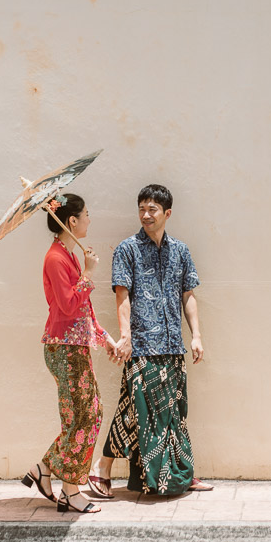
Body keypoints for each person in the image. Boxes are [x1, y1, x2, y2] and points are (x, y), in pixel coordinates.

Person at [87, 184, 213, 498]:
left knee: (174, 413)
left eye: (152, 209)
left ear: (167, 213)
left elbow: (188, 295)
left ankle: (181, 475)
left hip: (172, 346)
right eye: (142, 208)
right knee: (133, 410)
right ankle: (101, 470)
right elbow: (122, 296)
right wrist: (125, 337)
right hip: (141, 345)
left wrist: (196, 335)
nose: (146, 215)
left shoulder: (181, 251)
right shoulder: (127, 249)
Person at [21, 193, 126, 514]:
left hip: (74, 346)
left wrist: (105, 337)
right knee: (86, 417)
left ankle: (45, 469)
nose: (90, 219)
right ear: (72, 221)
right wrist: (90, 273)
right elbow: (67, 305)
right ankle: (69, 489)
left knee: (82, 417)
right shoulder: (55, 258)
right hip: (64, 349)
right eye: (87, 214)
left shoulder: (68, 254)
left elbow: (83, 310)